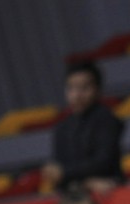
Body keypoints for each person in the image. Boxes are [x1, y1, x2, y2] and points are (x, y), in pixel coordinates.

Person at [42, 62, 125, 193]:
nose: (76, 95)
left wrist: (65, 172)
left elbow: (104, 162)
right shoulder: (61, 128)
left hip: (108, 187)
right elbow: (58, 168)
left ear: (98, 90)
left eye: (84, 88)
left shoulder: (107, 120)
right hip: (73, 191)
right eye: (71, 88)